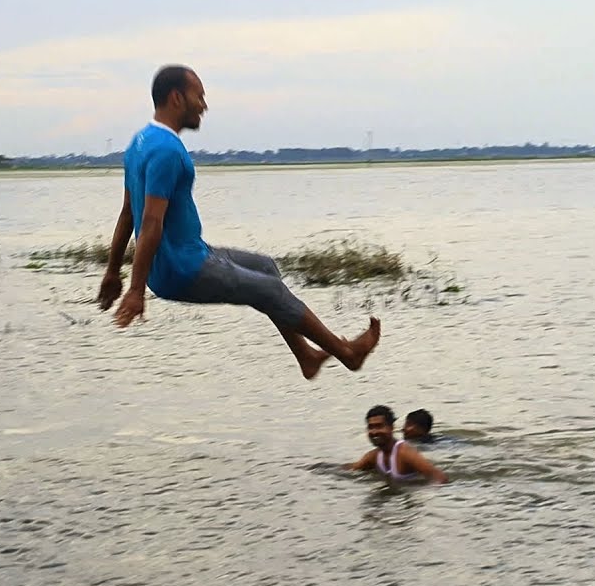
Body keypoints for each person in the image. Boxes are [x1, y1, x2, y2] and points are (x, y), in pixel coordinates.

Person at [96, 64, 381, 380]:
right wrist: (135, 289)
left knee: (265, 268)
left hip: (188, 254)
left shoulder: (140, 142)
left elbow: (126, 213)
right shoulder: (166, 151)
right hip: (181, 269)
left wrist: (112, 272)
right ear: (177, 98)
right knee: (270, 290)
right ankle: (348, 354)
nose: (204, 105)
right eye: (199, 96)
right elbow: (149, 221)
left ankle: (307, 357)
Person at [346, 405, 448, 484]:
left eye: (379, 426)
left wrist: (423, 494)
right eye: (371, 427)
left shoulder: (405, 453)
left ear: (391, 428)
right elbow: (352, 469)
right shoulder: (373, 456)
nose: (374, 432)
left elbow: (440, 479)